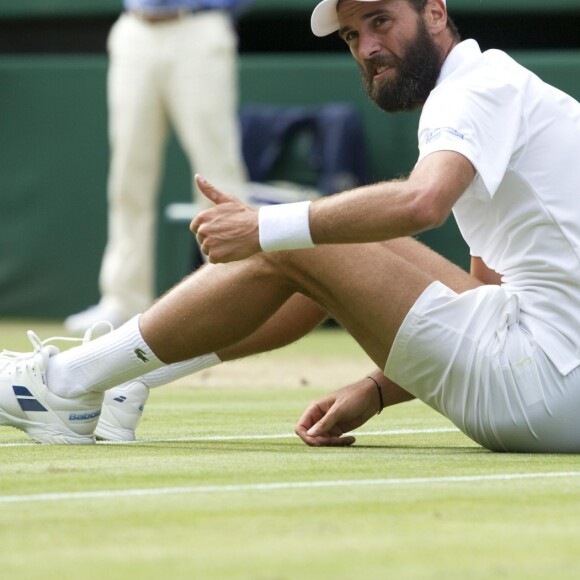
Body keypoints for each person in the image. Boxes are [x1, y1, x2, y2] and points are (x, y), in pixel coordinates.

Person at [2, 0, 580, 453]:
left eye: (381, 21)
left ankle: (64, 383)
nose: (369, 48)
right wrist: (377, 390)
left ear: (435, 11)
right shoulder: (504, 86)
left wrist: (263, 226)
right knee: (340, 237)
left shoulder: (472, 93)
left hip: (543, 388)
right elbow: (487, 296)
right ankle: (125, 378)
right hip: (558, 384)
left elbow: (422, 201)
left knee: (301, 239)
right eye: (353, 35)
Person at [64, 0, 252, 334]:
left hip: (199, 29)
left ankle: (236, 294)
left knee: (217, 170)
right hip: (134, 31)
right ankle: (122, 300)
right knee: (128, 173)